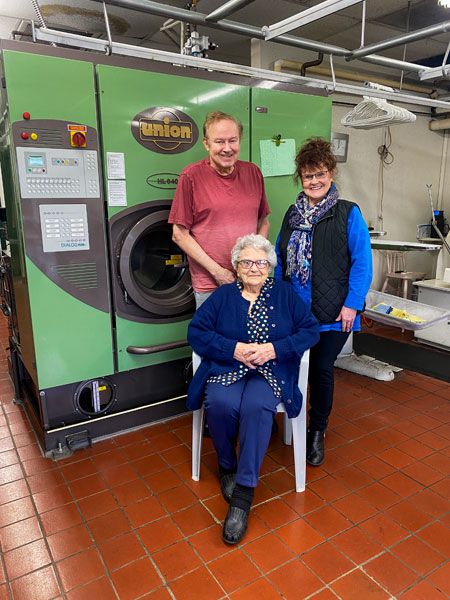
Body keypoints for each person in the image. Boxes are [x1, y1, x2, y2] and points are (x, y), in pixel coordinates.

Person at [187, 234, 320, 544]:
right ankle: (226, 466)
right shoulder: (223, 297)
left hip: (271, 371)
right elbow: (197, 332)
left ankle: (243, 495)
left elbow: (310, 330)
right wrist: (232, 348)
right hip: (227, 367)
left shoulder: (285, 295)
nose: (254, 268)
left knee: (255, 408)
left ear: (269, 267)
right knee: (220, 403)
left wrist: (274, 349)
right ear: (236, 266)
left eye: (261, 262)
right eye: (246, 262)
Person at [275, 137, 372, 467]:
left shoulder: (348, 213)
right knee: (292, 367)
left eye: (320, 174)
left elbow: (362, 261)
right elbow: (278, 257)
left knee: (319, 368)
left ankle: (317, 432)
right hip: (296, 312)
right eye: (307, 175)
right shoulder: (292, 213)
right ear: (300, 179)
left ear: (331, 173)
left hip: (335, 312)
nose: (314, 181)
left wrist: (352, 303)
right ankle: (292, 420)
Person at [169, 111, 270, 309]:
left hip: (250, 279)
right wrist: (218, 272)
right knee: (213, 339)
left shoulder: (253, 172)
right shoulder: (191, 176)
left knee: (251, 337)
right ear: (206, 144)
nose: (227, 148)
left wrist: (255, 263)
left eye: (232, 141)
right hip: (210, 283)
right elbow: (179, 234)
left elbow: (263, 222)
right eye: (219, 142)